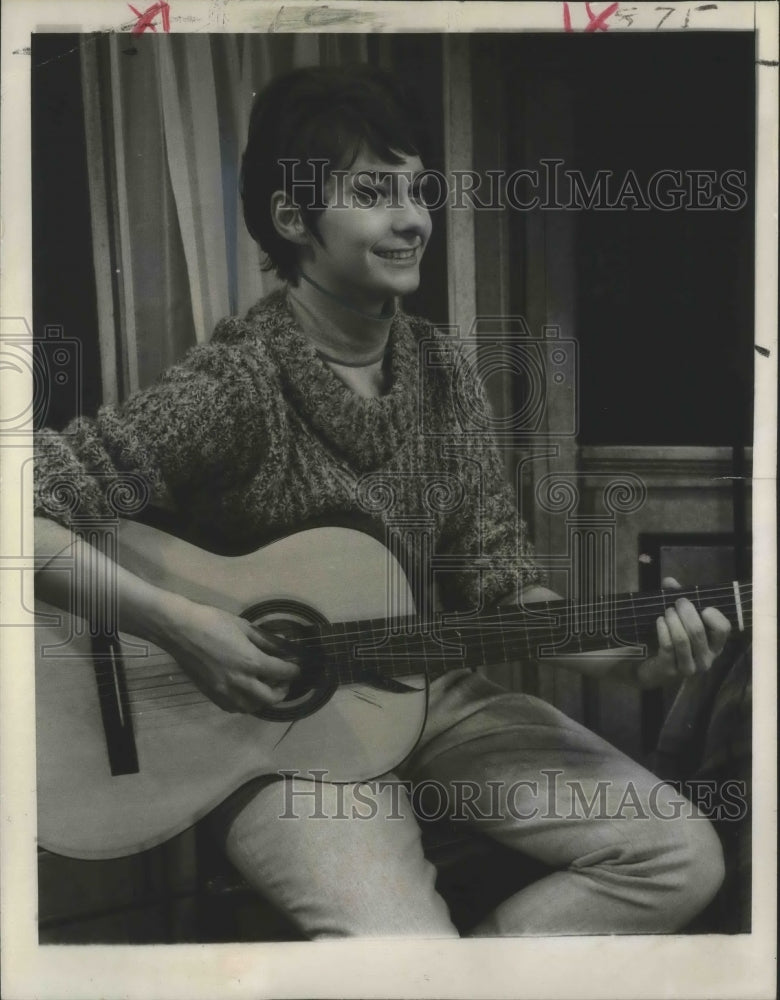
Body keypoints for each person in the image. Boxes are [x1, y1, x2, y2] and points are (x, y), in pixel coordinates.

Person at [34, 64, 731, 938]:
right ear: (293, 218)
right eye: (373, 192)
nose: (411, 220)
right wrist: (179, 624)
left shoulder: (444, 373)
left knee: (678, 854)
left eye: (417, 191)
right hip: (270, 748)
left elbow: (503, 590)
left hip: (430, 697)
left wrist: (632, 657)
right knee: (400, 961)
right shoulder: (234, 383)